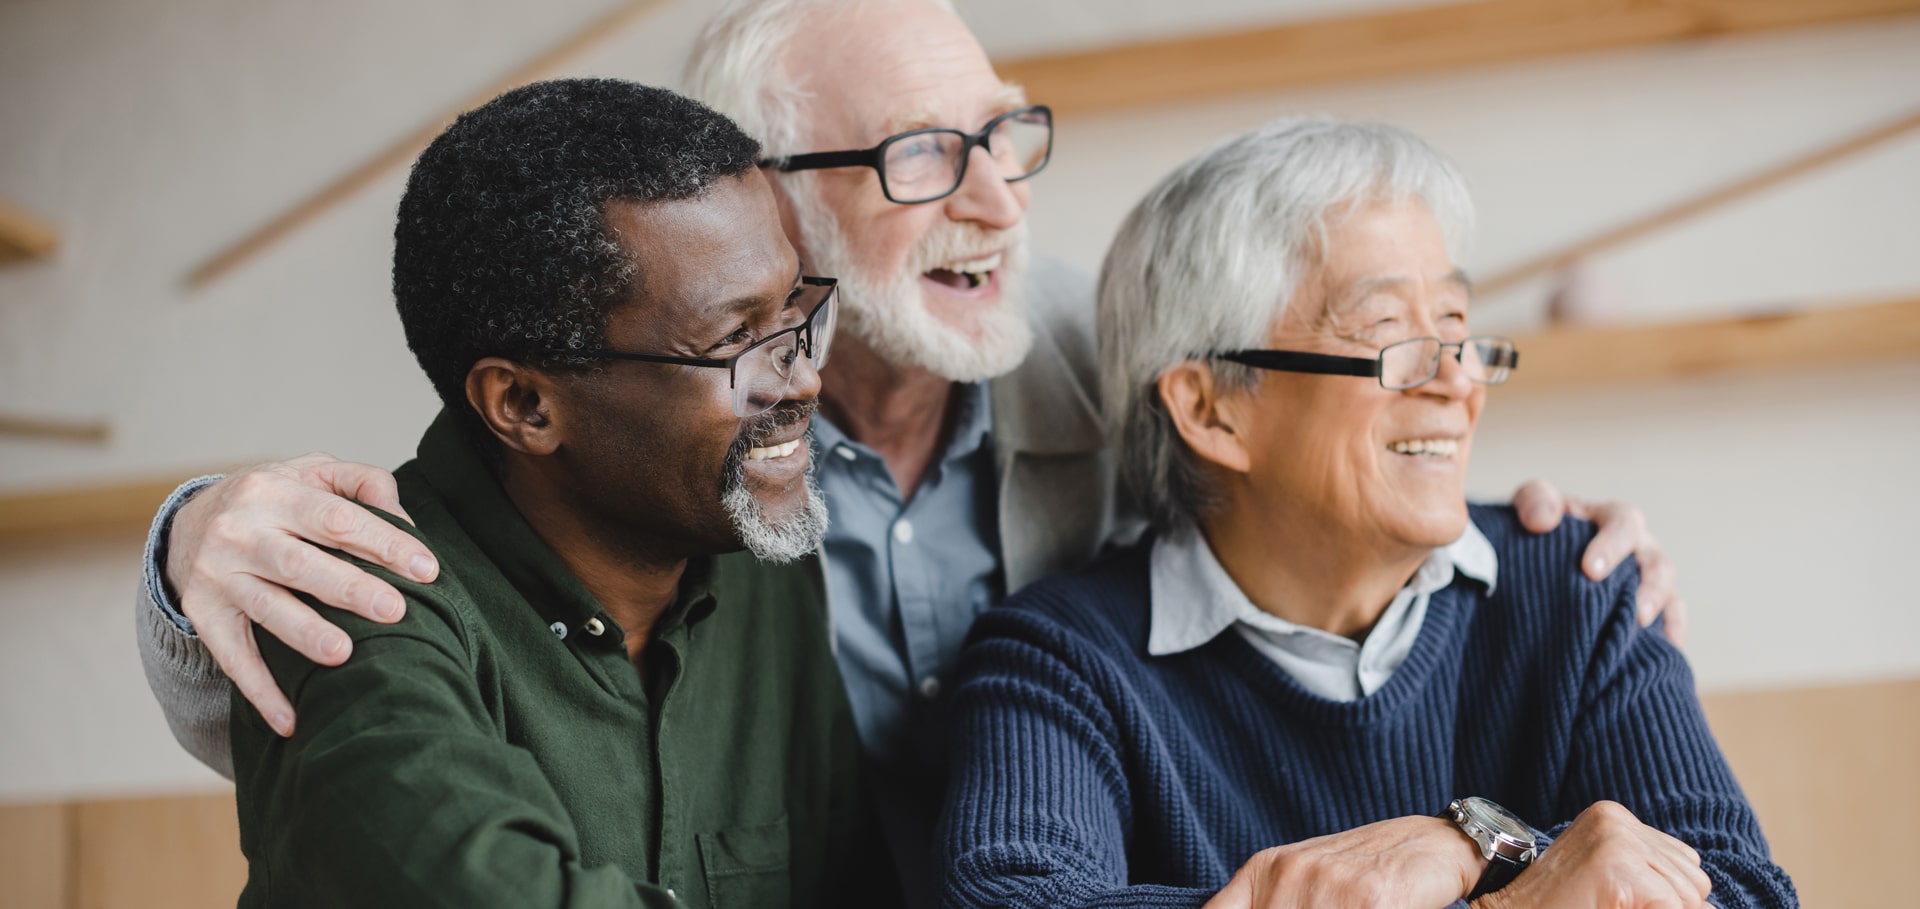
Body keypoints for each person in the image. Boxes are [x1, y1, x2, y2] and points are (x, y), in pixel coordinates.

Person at [135, 0, 1681, 901]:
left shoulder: (1113, 358)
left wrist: (1520, 541)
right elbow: (338, 672)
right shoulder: (702, 496)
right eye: (924, 156)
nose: (1003, 200)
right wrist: (185, 536)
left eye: (1008, 136)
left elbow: (1338, 442)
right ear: (767, 197)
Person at [938, 118, 1794, 908]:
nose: (1456, 379)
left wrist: (1472, 850)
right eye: (1389, 334)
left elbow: (1745, 890)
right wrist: (1505, 875)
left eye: (1456, 324)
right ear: (1210, 409)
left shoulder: (1582, 586)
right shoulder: (1060, 658)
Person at [225, 78, 882, 908]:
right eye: (734, 340)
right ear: (525, 405)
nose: (804, 378)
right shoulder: (348, 603)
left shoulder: (760, 558)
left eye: (791, 312)